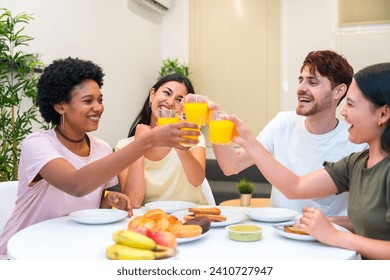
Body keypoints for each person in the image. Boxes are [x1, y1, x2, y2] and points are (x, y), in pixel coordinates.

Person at [0, 58, 199, 258]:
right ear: (61, 106)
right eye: (88, 101)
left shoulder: (102, 148)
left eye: (100, 100)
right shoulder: (38, 144)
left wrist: (109, 199)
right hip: (21, 252)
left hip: (67, 247)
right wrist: (144, 142)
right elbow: (76, 184)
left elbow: (92, 201)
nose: (99, 108)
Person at [217, 62, 390, 260]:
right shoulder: (356, 163)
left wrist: (334, 234)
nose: (344, 112)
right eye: (301, 80)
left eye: (350, 104)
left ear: (383, 114)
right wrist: (248, 141)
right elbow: (295, 187)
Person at [212, 50, 367, 229]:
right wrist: (214, 119)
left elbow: (366, 220)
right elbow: (231, 165)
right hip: (279, 235)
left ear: (339, 91)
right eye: (301, 80)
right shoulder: (283, 123)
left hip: (327, 243)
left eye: (313, 82)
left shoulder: (357, 141)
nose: (301, 88)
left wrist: (325, 223)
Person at [115, 74, 208, 207]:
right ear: (152, 95)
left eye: (179, 99)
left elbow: (197, 180)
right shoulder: (125, 146)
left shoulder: (193, 137)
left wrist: (178, 142)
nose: (170, 102)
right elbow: (133, 202)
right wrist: (139, 145)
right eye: (166, 93)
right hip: (151, 220)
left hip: (191, 217)